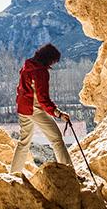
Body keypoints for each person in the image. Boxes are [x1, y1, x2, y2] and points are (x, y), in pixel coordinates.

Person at [10, 43, 72, 173]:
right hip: (35, 110)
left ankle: (14, 175)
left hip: (23, 108)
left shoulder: (27, 66)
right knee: (56, 139)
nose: (53, 64)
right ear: (49, 59)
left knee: (23, 143)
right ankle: (70, 173)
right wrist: (58, 114)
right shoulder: (41, 72)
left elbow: (20, 89)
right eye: (53, 61)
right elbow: (43, 99)